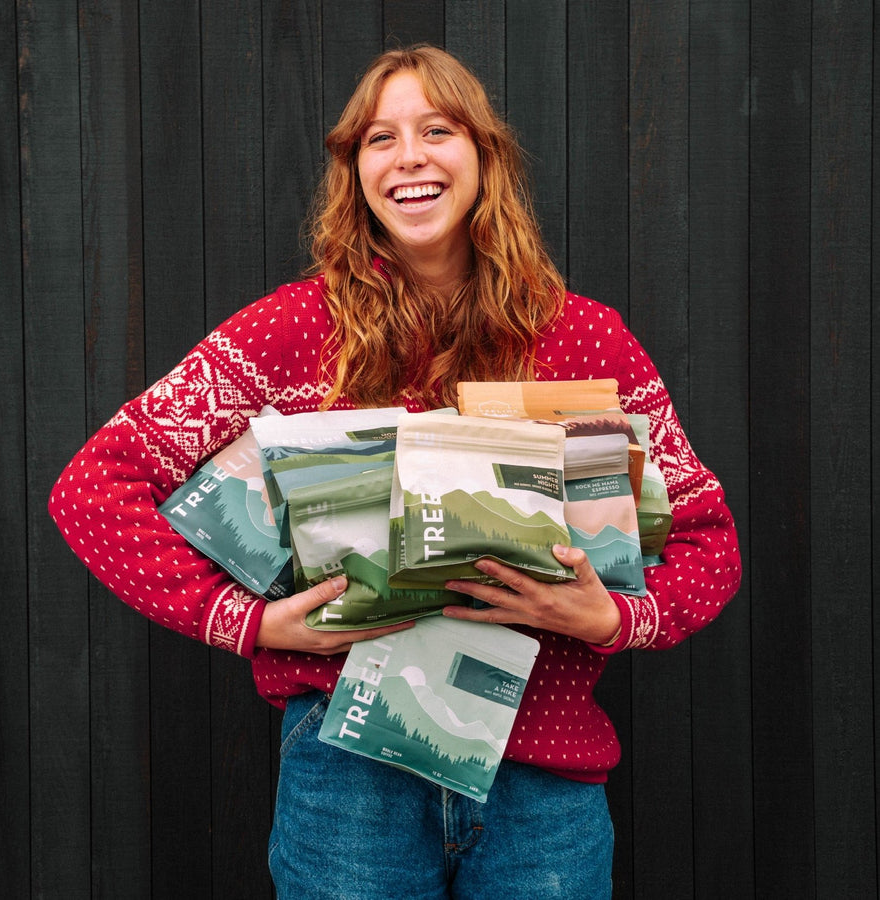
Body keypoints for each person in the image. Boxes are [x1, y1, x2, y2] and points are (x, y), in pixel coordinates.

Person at [49, 44, 741, 899]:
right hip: (349, 777)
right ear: (356, 173)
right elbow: (92, 488)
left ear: (485, 156)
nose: (409, 156)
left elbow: (709, 543)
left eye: (437, 129)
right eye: (381, 138)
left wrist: (610, 618)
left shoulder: (587, 339)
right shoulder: (289, 334)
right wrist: (251, 624)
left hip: (543, 783)